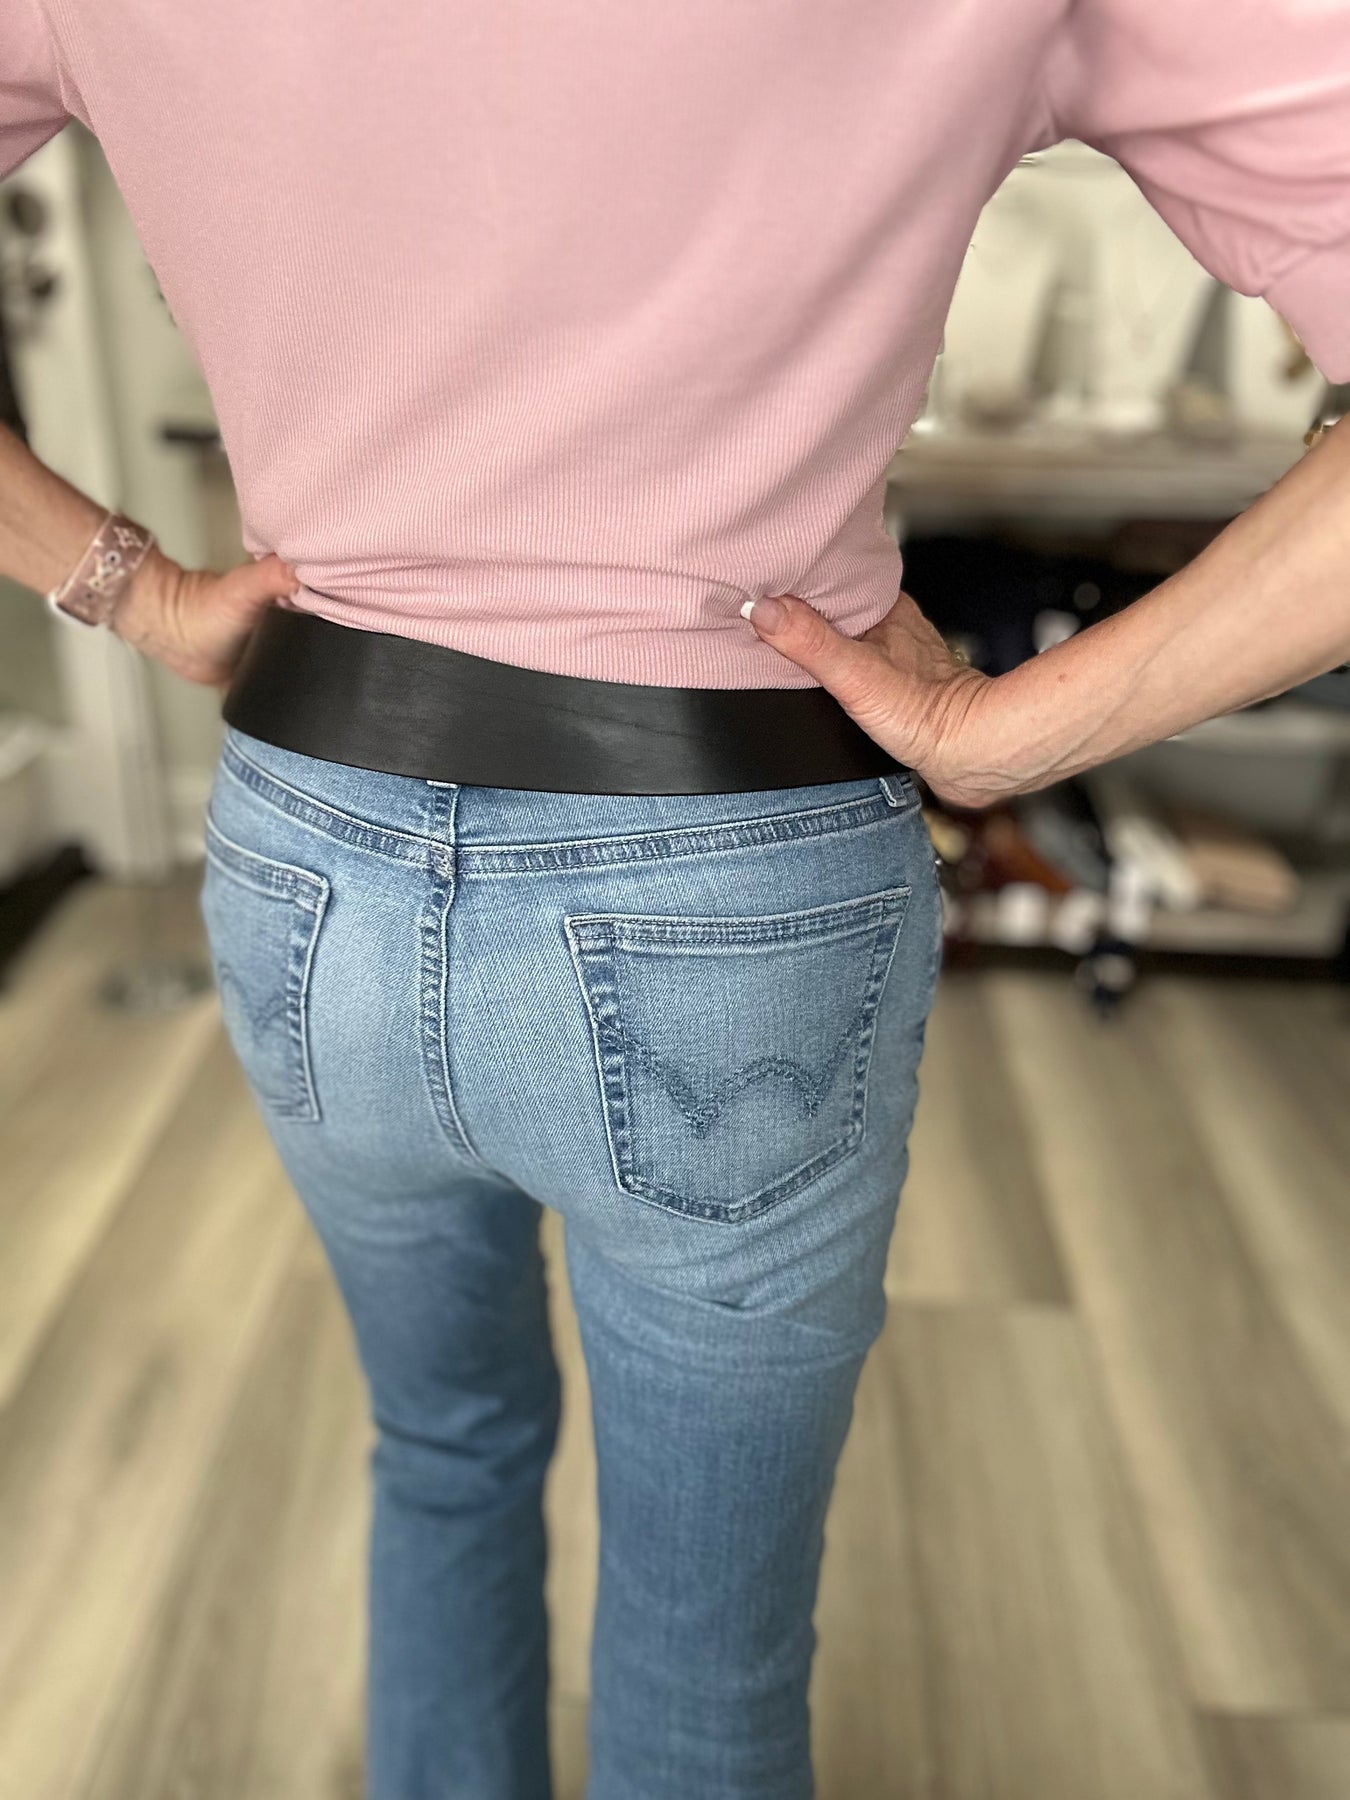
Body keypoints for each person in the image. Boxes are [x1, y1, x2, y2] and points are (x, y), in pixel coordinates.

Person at [3, 4, 1348, 1795]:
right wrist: (1014, 733)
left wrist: (126, 586)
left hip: (309, 845)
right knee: (704, 1656)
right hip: (730, 872)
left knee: (441, 1450)